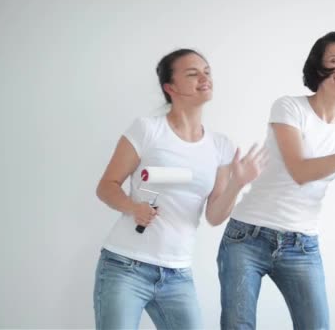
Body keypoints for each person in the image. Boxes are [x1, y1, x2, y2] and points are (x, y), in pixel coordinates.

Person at [216, 32, 335, 329]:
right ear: (318, 68)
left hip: (301, 244)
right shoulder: (289, 107)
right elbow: (299, 171)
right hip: (248, 237)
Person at [94, 48, 266, 329]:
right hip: (125, 267)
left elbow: (214, 215)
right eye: (192, 73)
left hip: (177, 274)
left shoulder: (220, 146)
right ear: (170, 87)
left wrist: (238, 183)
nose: (204, 77)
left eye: (207, 71)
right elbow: (106, 186)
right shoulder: (147, 130)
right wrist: (133, 207)